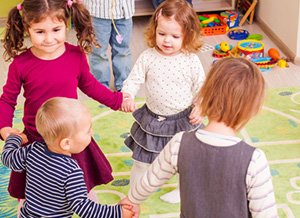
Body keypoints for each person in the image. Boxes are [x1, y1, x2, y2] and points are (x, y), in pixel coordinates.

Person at [0, 0, 132, 215]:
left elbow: (89, 85)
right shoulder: (21, 64)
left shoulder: (76, 55)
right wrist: (5, 128)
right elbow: (7, 100)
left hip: (70, 136)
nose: (49, 38)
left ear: (67, 24)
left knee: (79, 180)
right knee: (32, 186)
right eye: (40, 31)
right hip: (36, 138)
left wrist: (117, 101)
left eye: (56, 30)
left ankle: (88, 203)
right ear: (27, 29)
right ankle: (29, 207)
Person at [120, 58, 279, 218]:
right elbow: (267, 214)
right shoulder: (254, 159)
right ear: (251, 110)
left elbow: (150, 180)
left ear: (205, 95)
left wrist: (131, 201)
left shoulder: (179, 142)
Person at [120, 0, 205, 204]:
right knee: (141, 161)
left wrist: (202, 106)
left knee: (184, 161)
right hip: (152, 120)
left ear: (188, 35)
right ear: (155, 29)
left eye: (175, 36)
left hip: (183, 120)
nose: (167, 40)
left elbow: (202, 88)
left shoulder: (190, 60)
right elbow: (133, 80)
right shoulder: (148, 57)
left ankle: (181, 191)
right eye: (162, 34)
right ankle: (135, 193)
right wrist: (127, 95)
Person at [1, 97, 139, 218]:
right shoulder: (71, 171)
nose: (91, 132)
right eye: (87, 131)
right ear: (66, 143)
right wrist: (117, 213)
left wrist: (14, 139)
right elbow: (84, 208)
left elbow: (7, 157)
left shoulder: (32, 150)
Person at [84, 0, 134, 92]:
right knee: (98, 52)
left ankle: (123, 87)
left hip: (124, 11)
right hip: (98, 11)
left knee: (123, 52)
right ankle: (101, 89)